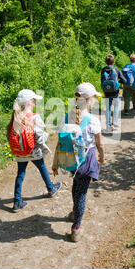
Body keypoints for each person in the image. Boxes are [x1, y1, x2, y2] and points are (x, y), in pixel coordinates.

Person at [52, 82, 105, 242]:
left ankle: (75, 212)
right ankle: (76, 228)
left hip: (71, 160)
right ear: (89, 99)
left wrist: (55, 162)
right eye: (94, 97)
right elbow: (99, 143)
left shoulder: (65, 117)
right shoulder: (92, 120)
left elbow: (60, 142)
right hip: (86, 160)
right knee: (81, 193)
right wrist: (102, 156)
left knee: (76, 186)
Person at [6, 89, 61, 212]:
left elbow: (9, 134)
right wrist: (46, 136)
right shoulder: (35, 117)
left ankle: (17, 201)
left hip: (20, 152)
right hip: (33, 150)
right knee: (42, 167)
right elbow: (40, 137)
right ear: (29, 103)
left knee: (20, 174)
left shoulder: (16, 117)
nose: (35, 103)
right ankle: (51, 188)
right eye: (34, 101)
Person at [100, 54, 125, 132]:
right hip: (115, 92)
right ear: (114, 61)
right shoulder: (116, 70)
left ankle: (108, 125)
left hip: (106, 92)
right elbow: (124, 80)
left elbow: (102, 80)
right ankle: (115, 123)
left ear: (105, 61)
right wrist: (118, 81)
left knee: (108, 108)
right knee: (116, 106)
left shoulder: (103, 70)